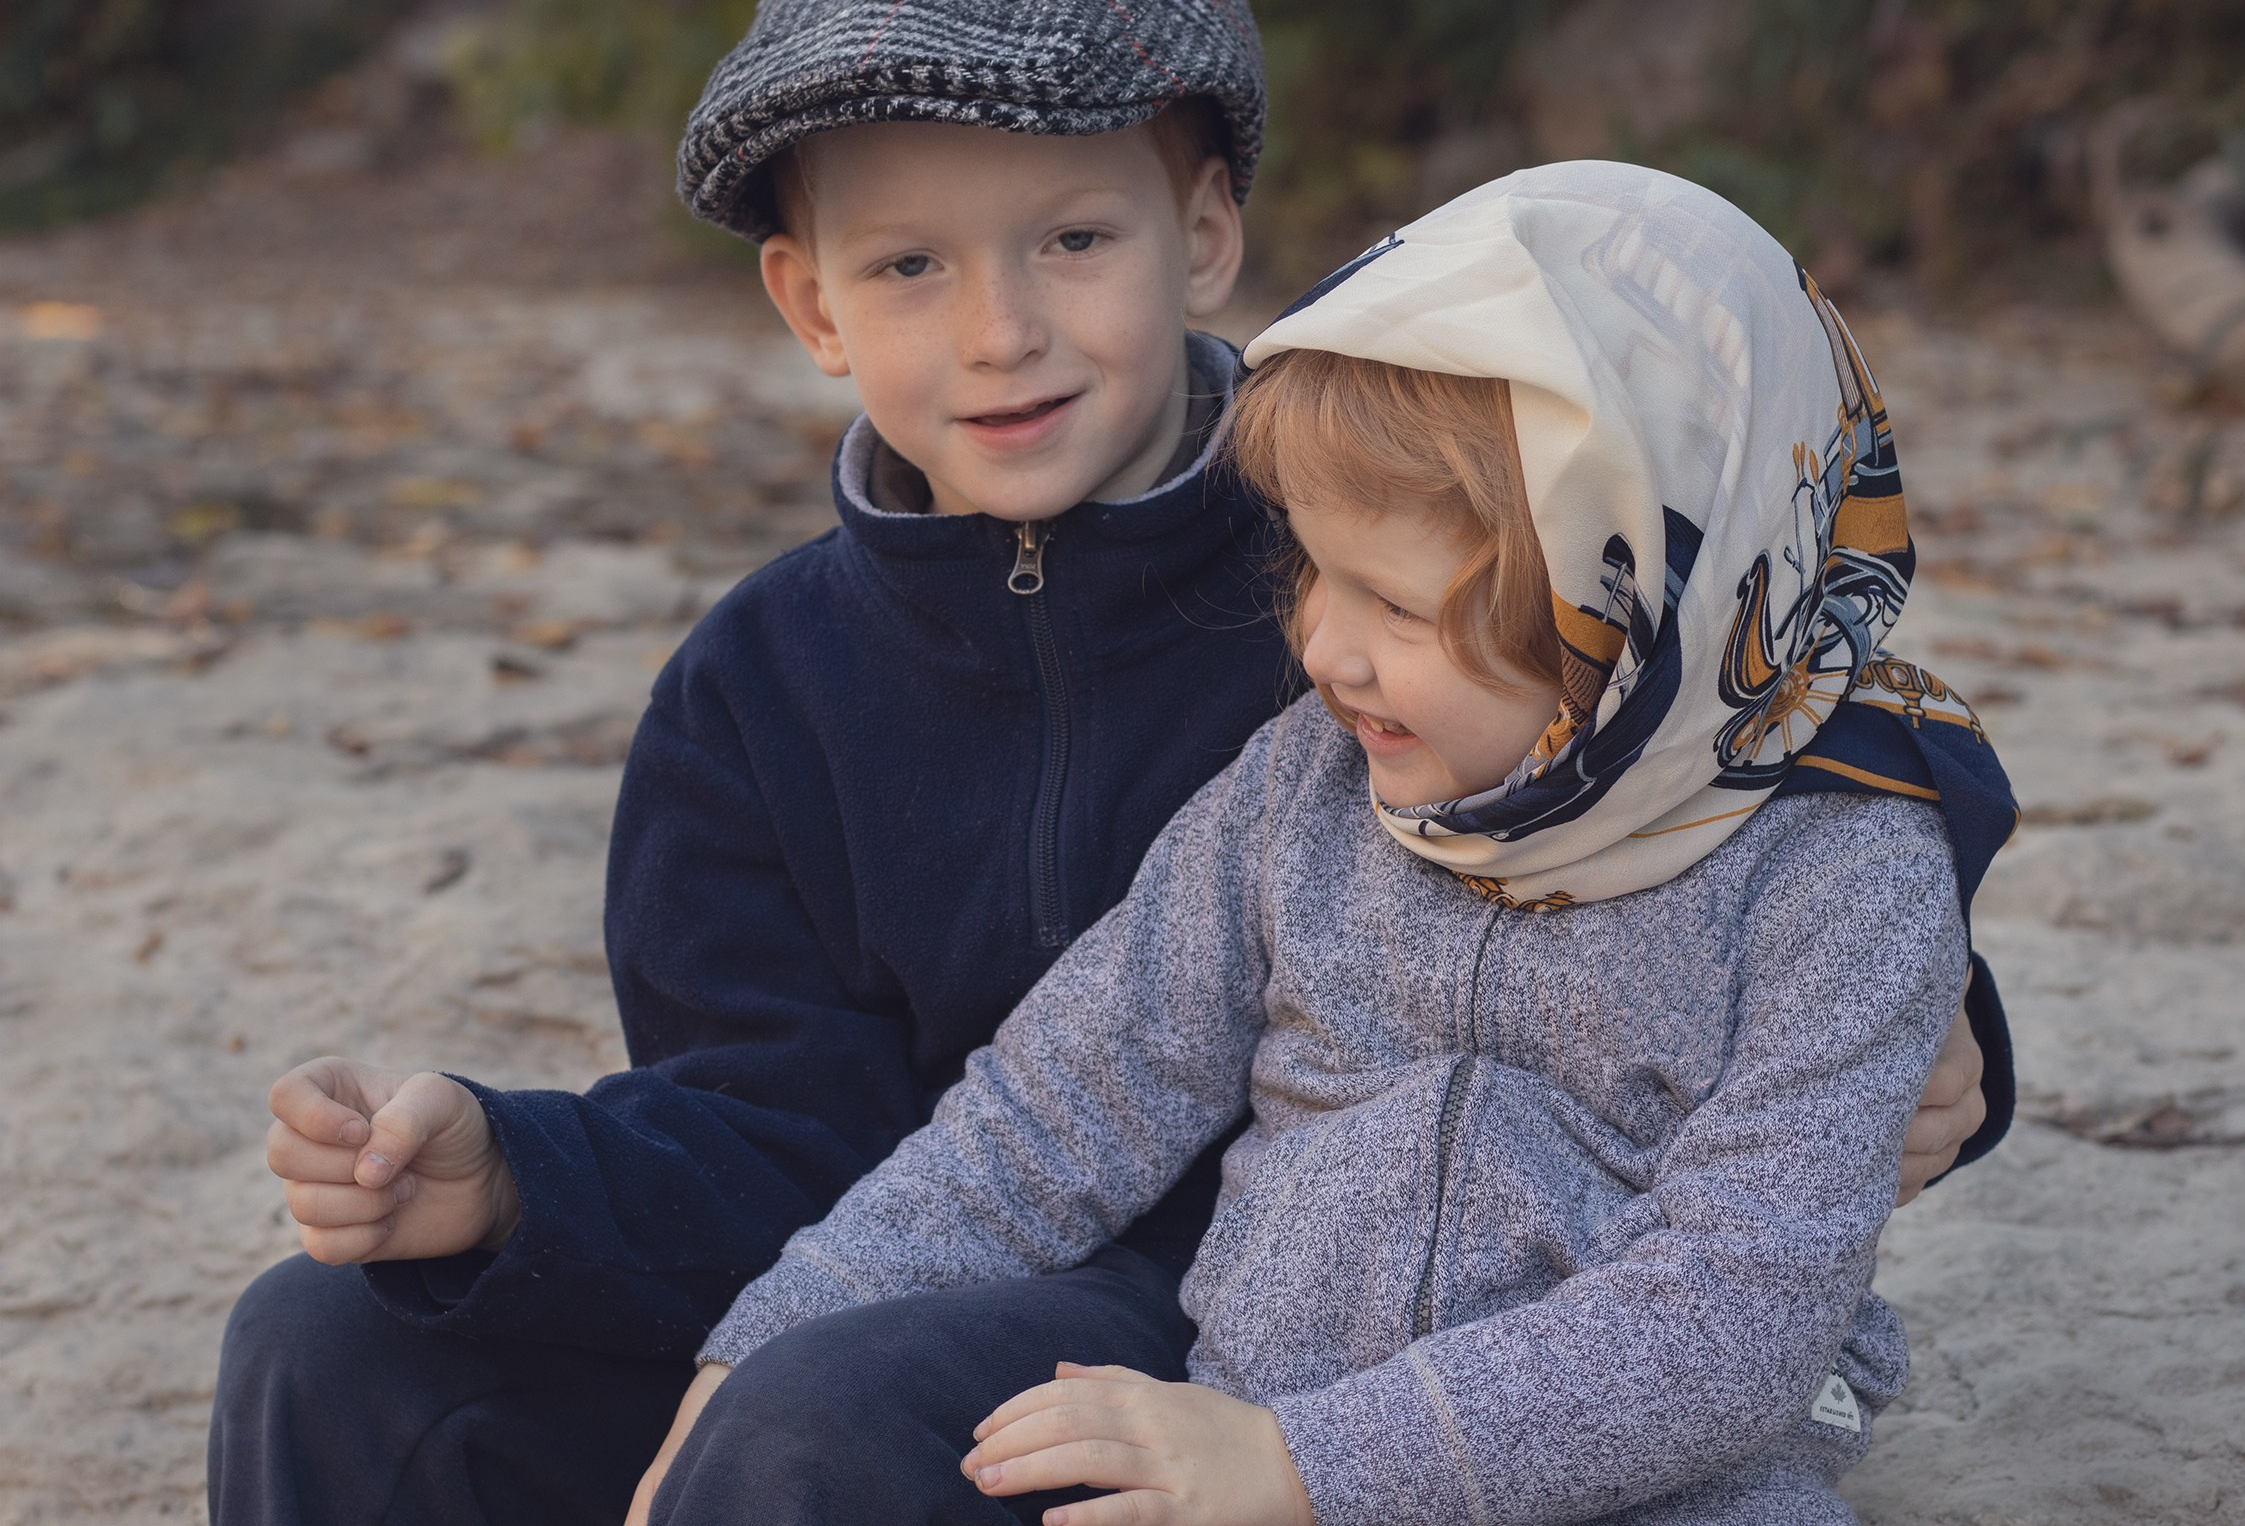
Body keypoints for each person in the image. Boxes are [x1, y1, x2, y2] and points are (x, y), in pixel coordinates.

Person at [206, 0, 2010, 1522]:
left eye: (1073, 237)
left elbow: (1742, 759)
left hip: (1253, 1298)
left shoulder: (1410, 521)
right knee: (327, 1341)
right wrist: (526, 1184)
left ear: (1203, 233)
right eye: (909, 266)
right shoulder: (760, 692)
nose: (1002, 331)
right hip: (929, 1242)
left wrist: (1944, 1030)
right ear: (810, 301)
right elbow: (822, 1129)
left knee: (824, 1420)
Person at [632, 160, 2018, 1525]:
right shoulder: (1305, 783)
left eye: (1398, 608)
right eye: (1312, 571)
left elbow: (1739, 1315)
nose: (1324, 652)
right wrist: (759, 1347)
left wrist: (1310, 1469)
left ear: (1644, 611)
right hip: (1248, 1417)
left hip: (1661, 1479)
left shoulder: (1844, 870)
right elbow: (1058, 1106)